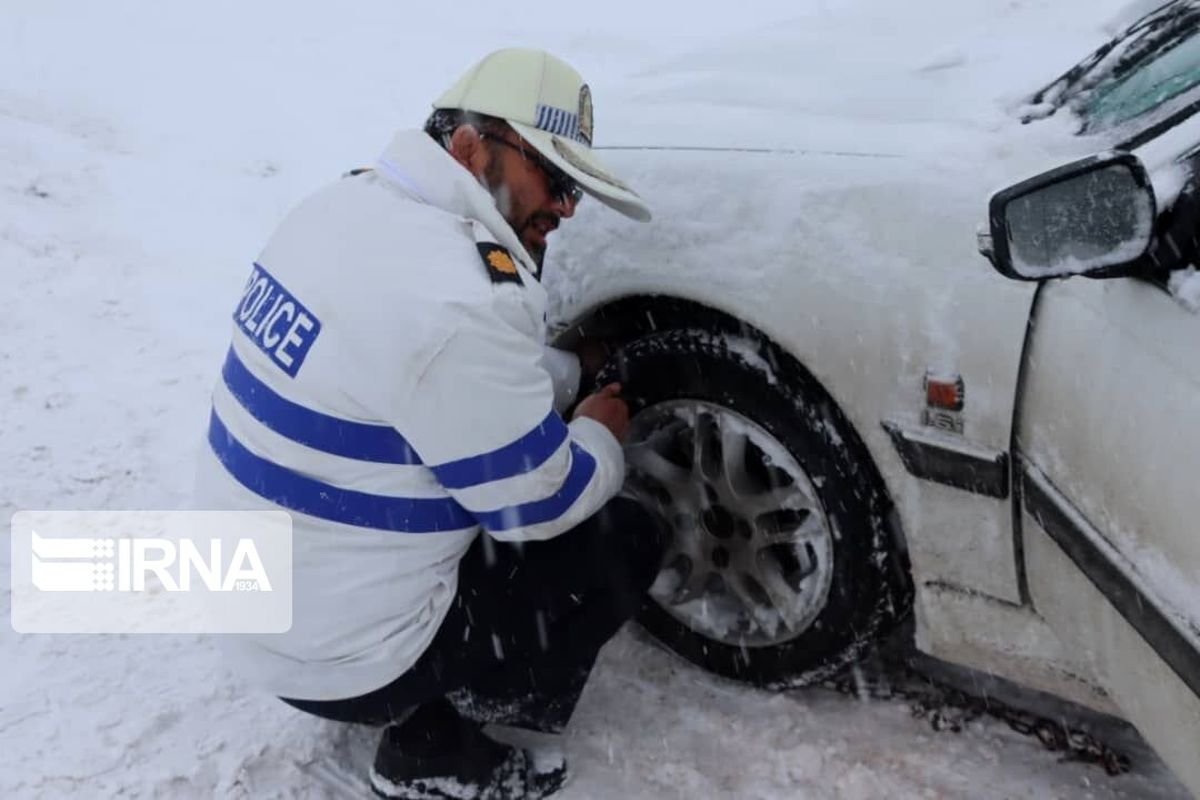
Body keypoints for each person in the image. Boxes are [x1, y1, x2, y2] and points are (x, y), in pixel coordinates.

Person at [194, 48, 664, 799]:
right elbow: (535, 503)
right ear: (471, 145)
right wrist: (601, 431)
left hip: (250, 604)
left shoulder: (341, 211)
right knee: (622, 539)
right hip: (338, 658)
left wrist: (566, 375)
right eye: (555, 177)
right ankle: (442, 749)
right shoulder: (460, 295)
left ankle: (396, 675)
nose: (569, 208)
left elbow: (428, 374)